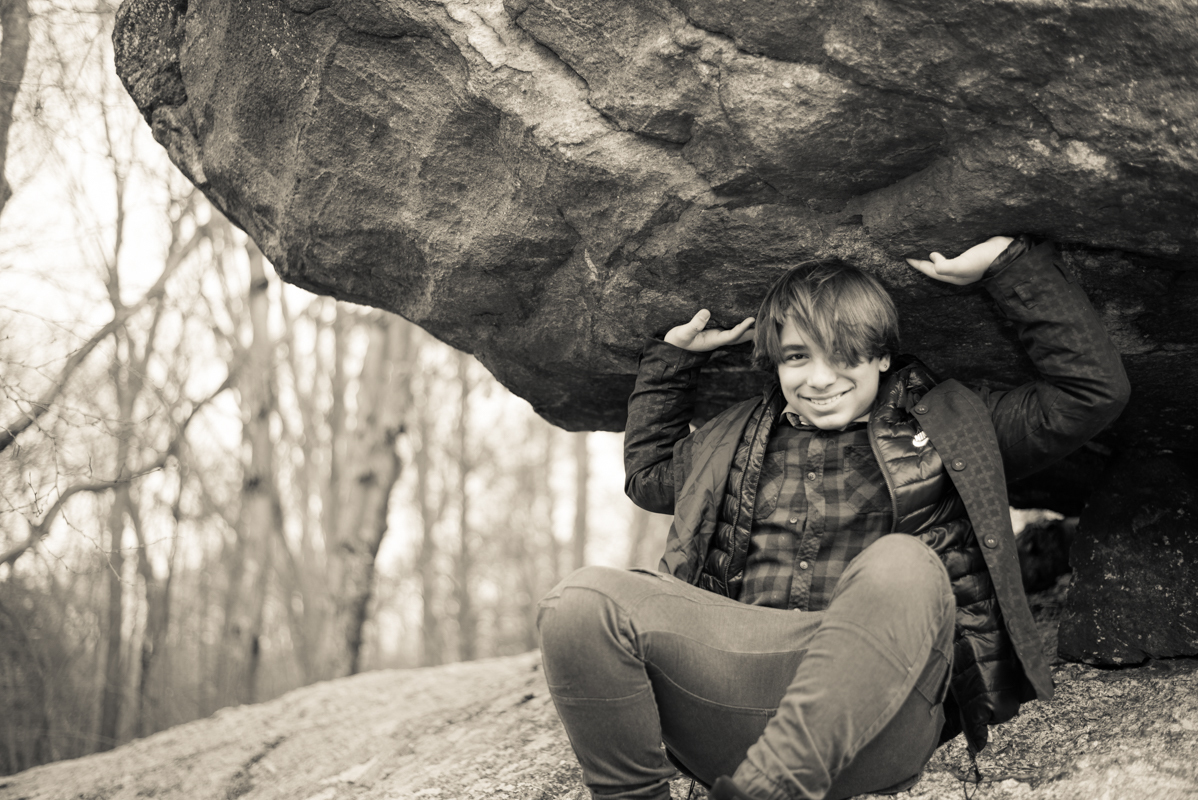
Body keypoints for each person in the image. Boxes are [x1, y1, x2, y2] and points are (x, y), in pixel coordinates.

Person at [537, 235, 1130, 800]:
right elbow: (648, 476)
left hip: (881, 712)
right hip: (734, 699)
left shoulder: (949, 424)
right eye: (797, 357)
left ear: (880, 355)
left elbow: (1090, 392)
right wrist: (673, 362)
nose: (819, 379)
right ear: (774, 364)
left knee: (904, 563)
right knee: (582, 599)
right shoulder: (733, 439)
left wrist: (1011, 267)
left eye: (843, 355)